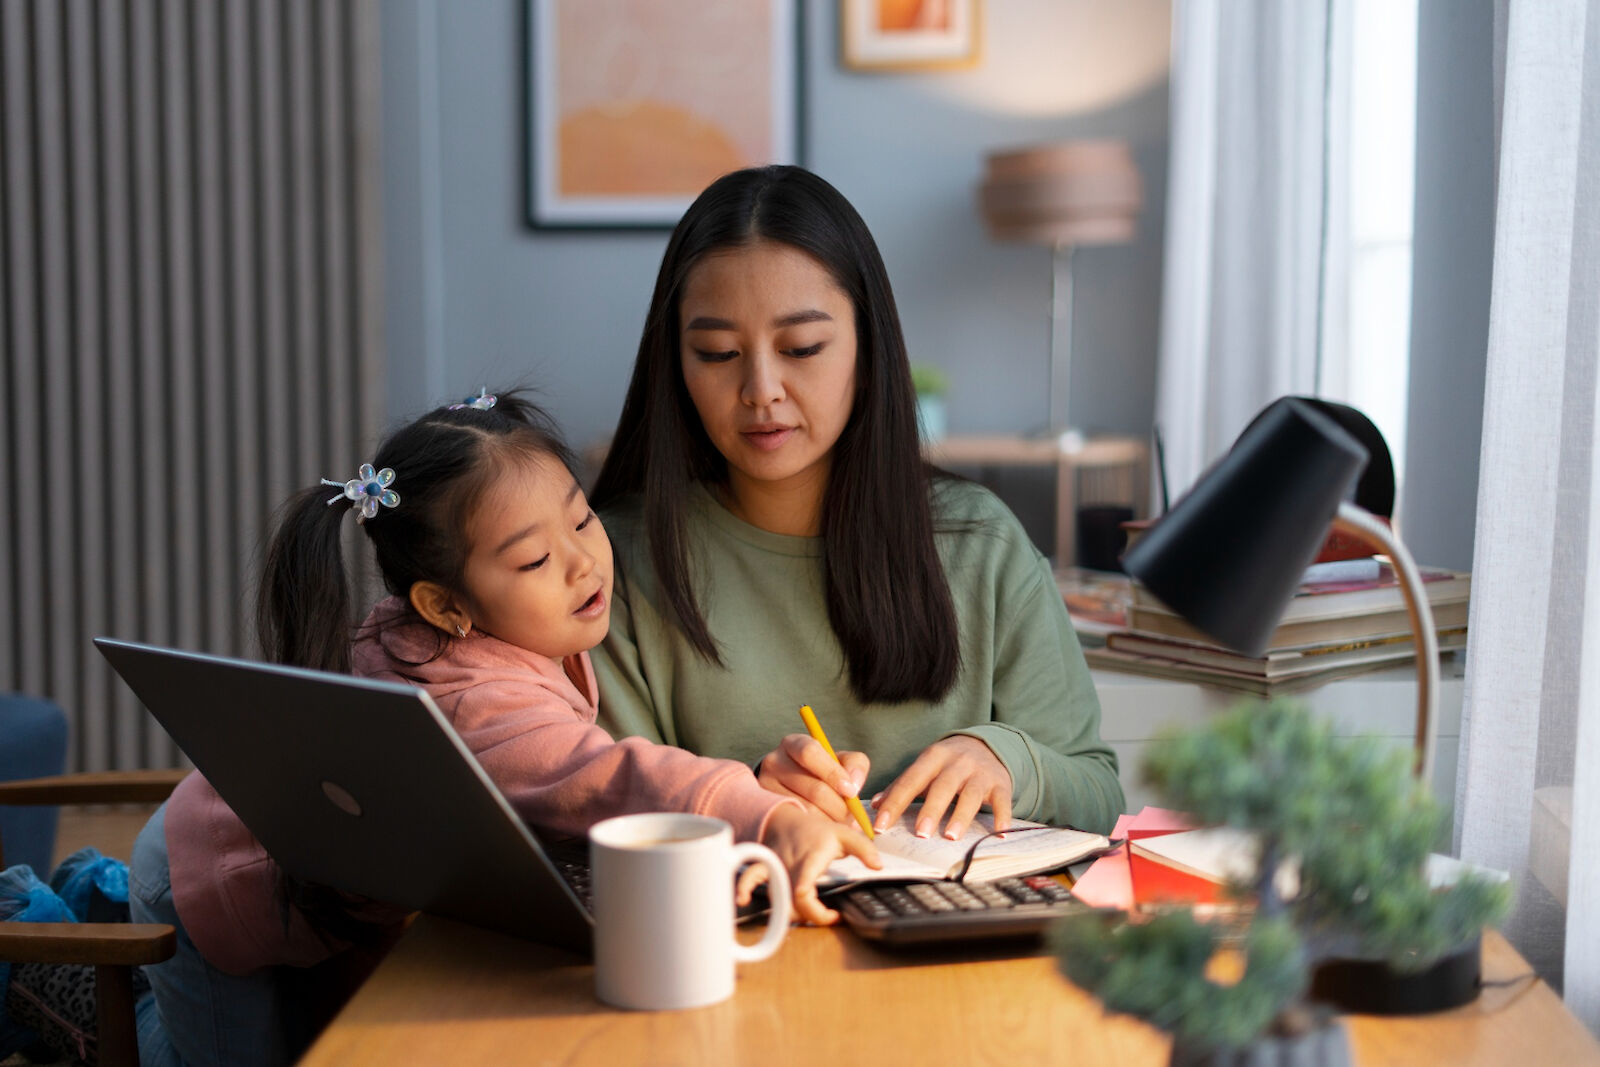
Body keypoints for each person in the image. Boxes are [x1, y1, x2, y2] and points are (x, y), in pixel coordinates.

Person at [129, 388, 878, 1067]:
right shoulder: (473, 704)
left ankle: (103, 927)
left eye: (582, 518)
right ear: (445, 605)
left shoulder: (475, 631)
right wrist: (768, 816)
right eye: (535, 557)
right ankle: (62, 970)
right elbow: (605, 776)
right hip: (211, 885)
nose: (583, 560)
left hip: (314, 883)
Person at [590, 165, 1125, 845]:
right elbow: (603, 811)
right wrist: (748, 800)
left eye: (802, 347)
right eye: (717, 352)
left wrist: (1011, 759)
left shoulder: (980, 542)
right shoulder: (617, 563)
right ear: (676, 361)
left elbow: (1100, 794)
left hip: (954, 938)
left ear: (868, 348)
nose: (761, 389)